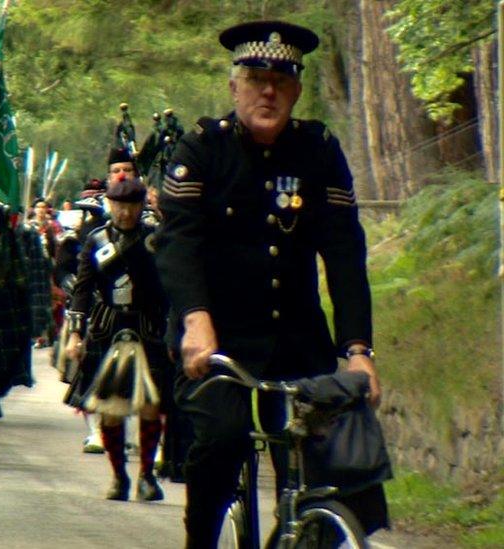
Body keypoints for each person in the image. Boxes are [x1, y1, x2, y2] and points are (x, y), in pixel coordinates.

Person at [154, 21, 385, 547]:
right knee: (222, 439)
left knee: (324, 463)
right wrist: (196, 322)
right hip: (216, 344)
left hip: (296, 344)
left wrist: (357, 349)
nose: (268, 91)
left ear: (297, 90)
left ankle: (303, 531)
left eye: (282, 81)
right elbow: (177, 244)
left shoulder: (319, 150)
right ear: (235, 86)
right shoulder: (200, 149)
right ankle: (202, 539)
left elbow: (345, 254)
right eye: (256, 78)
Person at [65, 178, 171, 501]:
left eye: (131, 206)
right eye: (119, 206)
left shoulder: (155, 239)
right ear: (110, 205)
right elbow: (82, 290)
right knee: (110, 408)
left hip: (148, 327)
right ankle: (118, 476)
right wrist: (75, 334)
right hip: (108, 328)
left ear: (142, 206)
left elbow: (170, 287)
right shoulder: (96, 240)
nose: (125, 213)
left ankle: (146, 476)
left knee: (151, 405)